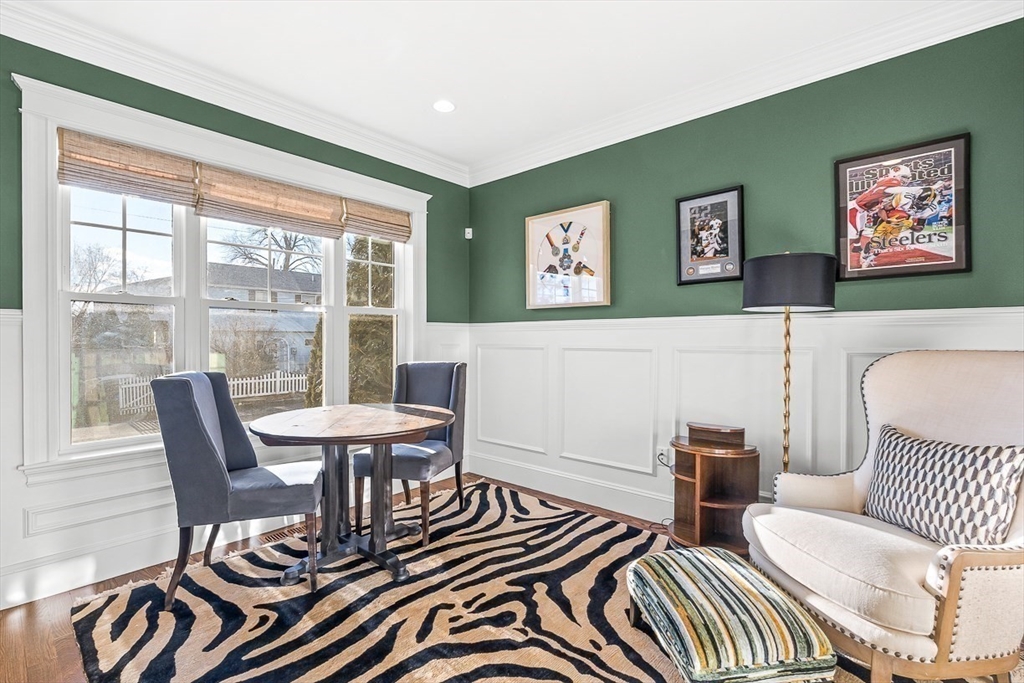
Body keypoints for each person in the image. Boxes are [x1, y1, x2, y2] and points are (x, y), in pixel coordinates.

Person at [848, 164, 912, 268]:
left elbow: (879, 205)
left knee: (879, 240)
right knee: (858, 236)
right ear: (896, 175)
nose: (906, 180)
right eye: (904, 177)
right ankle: (841, 253)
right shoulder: (892, 183)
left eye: (907, 178)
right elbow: (883, 207)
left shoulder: (893, 187)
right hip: (857, 209)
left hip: (865, 211)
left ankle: (864, 253)